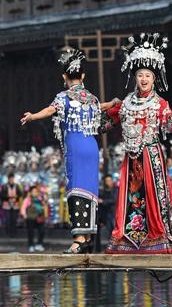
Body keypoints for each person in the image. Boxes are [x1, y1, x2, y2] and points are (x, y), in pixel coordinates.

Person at [101, 33, 172, 254]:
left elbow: (169, 123)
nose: (143, 79)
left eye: (147, 75)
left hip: (152, 155)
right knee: (132, 197)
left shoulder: (160, 103)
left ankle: (160, 238)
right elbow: (106, 124)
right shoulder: (126, 102)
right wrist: (89, 114)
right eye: (140, 74)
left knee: (154, 196)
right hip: (131, 159)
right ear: (135, 77)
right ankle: (130, 239)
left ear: (154, 78)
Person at [20, 48, 112, 254]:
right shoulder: (91, 98)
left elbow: (51, 110)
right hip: (91, 147)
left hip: (76, 147)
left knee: (76, 189)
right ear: (83, 76)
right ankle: (88, 236)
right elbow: (101, 107)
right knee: (90, 190)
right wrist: (113, 103)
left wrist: (33, 116)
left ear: (64, 76)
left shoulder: (63, 97)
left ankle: (79, 239)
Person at [20, 185, 48, 252]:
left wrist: (44, 202)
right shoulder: (28, 199)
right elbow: (23, 208)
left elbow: (44, 205)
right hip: (30, 218)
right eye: (33, 191)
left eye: (36, 191)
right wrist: (24, 215)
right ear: (30, 192)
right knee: (31, 232)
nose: (35, 192)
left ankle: (39, 244)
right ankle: (31, 245)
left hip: (39, 217)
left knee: (42, 231)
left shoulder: (40, 198)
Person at [97, 174, 118, 251]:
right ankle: (112, 246)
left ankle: (115, 246)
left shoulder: (116, 189)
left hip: (114, 213)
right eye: (106, 181)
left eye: (109, 180)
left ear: (112, 180)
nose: (108, 182)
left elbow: (114, 200)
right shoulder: (104, 191)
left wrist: (103, 201)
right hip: (107, 213)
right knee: (110, 230)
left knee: (113, 230)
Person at [0, 173, 23, 238]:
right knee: (8, 220)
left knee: (14, 219)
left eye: (12, 178)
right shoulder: (4, 186)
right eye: (10, 178)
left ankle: (14, 232)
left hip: (15, 205)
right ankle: (8, 232)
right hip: (7, 205)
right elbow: (2, 195)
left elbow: (20, 194)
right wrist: (9, 197)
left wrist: (16, 196)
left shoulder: (17, 186)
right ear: (8, 179)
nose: (11, 180)